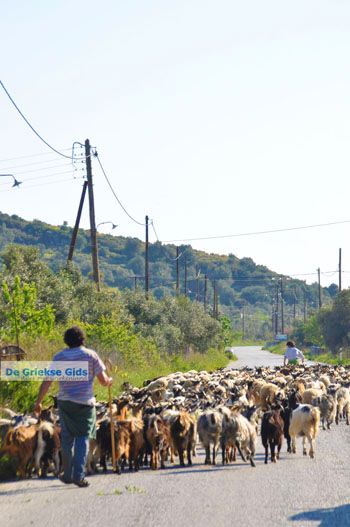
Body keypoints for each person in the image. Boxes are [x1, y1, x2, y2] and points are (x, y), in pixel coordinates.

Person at [33, 325, 113, 487]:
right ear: (83, 339)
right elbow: (104, 381)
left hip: (65, 403)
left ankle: (67, 473)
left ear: (66, 341)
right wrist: (110, 381)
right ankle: (78, 475)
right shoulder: (91, 355)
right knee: (83, 438)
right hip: (85, 403)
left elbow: (47, 381)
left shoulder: (59, 357)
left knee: (67, 438)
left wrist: (39, 401)